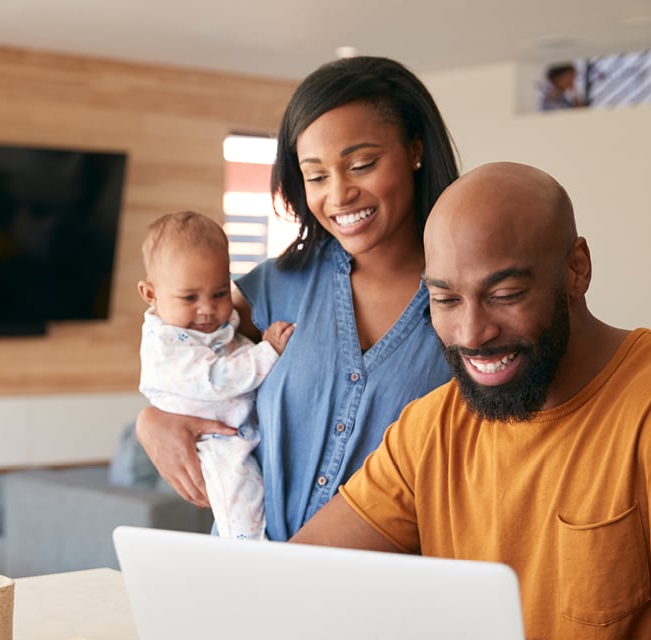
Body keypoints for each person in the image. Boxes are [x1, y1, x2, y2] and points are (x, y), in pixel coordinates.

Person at [291, 162, 651, 639]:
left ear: (576, 270)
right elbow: (295, 584)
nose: (472, 332)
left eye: (505, 295)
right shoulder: (431, 428)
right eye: (445, 300)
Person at [135, 56, 462, 541]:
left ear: (415, 149)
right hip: (258, 581)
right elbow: (181, 356)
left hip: (392, 594)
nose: (340, 194)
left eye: (362, 164)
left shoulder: (469, 301)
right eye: (316, 175)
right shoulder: (275, 287)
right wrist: (152, 421)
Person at [137, 211, 295, 540]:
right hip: (213, 443)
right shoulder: (167, 346)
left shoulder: (202, 327)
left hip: (234, 431)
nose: (207, 309)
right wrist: (268, 351)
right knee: (242, 503)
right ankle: (248, 554)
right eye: (190, 298)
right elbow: (218, 379)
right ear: (151, 294)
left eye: (220, 293)